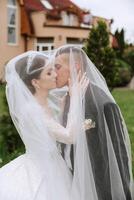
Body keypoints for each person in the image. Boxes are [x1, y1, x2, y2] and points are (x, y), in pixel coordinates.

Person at [0, 51, 96, 200]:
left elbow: (53, 129)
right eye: (49, 73)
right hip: (41, 170)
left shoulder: (49, 102)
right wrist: (76, 99)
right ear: (35, 82)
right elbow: (69, 136)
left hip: (55, 164)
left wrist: (66, 105)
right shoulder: (32, 111)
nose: (56, 75)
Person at [54, 45, 134, 200]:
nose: (54, 73)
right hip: (73, 182)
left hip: (99, 188)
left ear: (75, 66)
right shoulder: (67, 98)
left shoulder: (101, 102)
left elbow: (118, 154)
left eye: (57, 67)